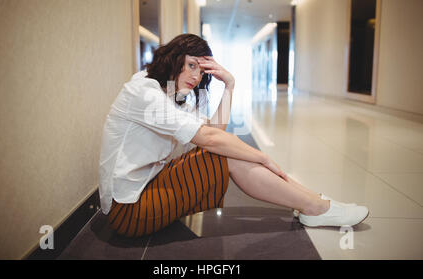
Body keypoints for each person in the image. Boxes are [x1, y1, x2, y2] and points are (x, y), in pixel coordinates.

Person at [98, 34, 369, 237]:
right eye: (191, 65)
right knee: (223, 155)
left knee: (223, 151)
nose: (195, 76)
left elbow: (214, 132)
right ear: (174, 57)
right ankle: (315, 207)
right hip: (127, 211)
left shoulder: (174, 93)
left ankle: (314, 203)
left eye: (201, 70)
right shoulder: (145, 91)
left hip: (149, 186)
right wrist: (263, 157)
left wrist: (229, 85)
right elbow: (211, 140)